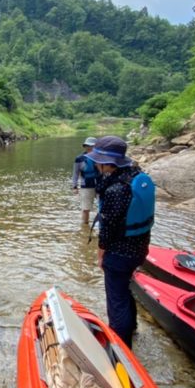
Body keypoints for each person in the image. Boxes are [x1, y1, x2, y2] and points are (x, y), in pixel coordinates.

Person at [87, 136, 155, 347]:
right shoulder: (137, 176)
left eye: (98, 160)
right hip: (139, 248)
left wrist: (101, 254)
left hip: (119, 254)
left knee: (116, 300)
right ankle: (132, 326)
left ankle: (121, 346)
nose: (96, 164)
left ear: (108, 163)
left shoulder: (116, 190)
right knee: (125, 288)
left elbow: (108, 229)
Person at [71, 136, 100, 224]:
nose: (89, 148)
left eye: (91, 146)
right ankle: (85, 227)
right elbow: (75, 173)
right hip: (86, 186)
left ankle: (102, 227)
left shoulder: (101, 158)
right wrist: (74, 186)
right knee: (85, 208)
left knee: (103, 207)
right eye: (87, 146)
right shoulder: (79, 159)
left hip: (100, 185)